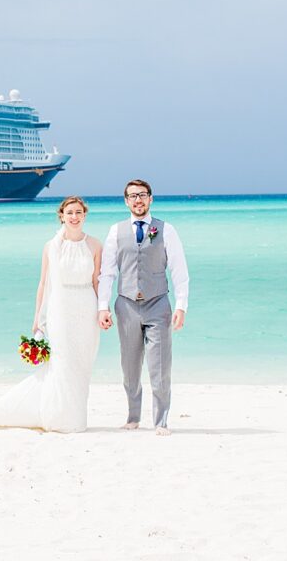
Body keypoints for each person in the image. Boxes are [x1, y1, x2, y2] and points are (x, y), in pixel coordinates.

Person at [0, 196, 102, 433]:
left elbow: (97, 281)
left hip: (87, 307)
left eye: (78, 212)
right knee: (62, 362)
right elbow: (44, 284)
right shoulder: (51, 246)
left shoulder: (95, 245)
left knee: (82, 363)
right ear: (61, 216)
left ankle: (74, 415)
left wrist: (102, 310)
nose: (74, 217)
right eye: (70, 213)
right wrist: (38, 318)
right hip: (60, 308)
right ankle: (61, 418)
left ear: (84, 215)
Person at [97, 179, 189, 436]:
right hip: (126, 306)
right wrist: (102, 306)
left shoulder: (166, 229)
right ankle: (133, 416)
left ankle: (161, 421)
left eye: (142, 195)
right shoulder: (116, 231)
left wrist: (181, 305)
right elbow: (107, 273)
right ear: (126, 201)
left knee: (160, 366)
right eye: (132, 196)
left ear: (150, 199)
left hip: (158, 304)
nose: (138, 200)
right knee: (129, 366)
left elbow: (179, 270)